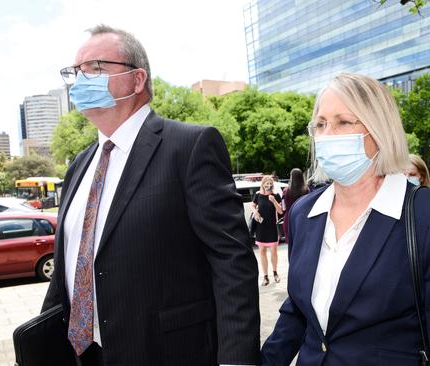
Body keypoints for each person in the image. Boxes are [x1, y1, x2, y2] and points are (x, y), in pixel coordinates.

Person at [41, 25, 260, 366]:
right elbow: (68, 271)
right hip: (84, 355)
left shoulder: (189, 147)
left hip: (170, 353)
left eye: (95, 68)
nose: (81, 80)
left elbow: (232, 263)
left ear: (137, 79)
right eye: (75, 72)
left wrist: (237, 360)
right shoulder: (79, 166)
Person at [261, 73, 430, 365]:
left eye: (344, 122)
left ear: (380, 130)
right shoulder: (304, 213)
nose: (327, 134)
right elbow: (299, 310)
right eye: (320, 124)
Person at [252, 175, 283, 286]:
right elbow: (252, 205)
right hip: (261, 228)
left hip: (272, 227)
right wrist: (255, 212)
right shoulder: (257, 195)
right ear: (263, 184)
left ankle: (275, 273)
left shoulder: (276, 195)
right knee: (262, 252)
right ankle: (265, 277)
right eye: (266, 183)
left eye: (270, 183)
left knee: (274, 252)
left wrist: (274, 201)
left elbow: (280, 212)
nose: (268, 185)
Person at [282, 168, 309, 243]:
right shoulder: (306, 190)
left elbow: (283, 208)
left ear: (291, 177)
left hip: (289, 219)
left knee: (292, 245)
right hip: (303, 218)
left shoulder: (285, 191)